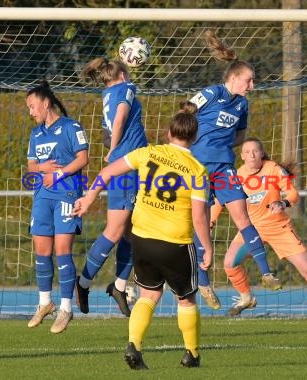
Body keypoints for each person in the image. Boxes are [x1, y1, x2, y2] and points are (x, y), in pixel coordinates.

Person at [73, 102, 212, 370]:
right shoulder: (197, 170)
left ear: (169, 133)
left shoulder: (148, 153)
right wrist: (206, 246)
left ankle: (134, 344)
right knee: (186, 299)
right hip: (175, 242)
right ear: (195, 137)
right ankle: (192, 354)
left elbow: (106, 172)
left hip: (142, 238)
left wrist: (89, 197)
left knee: (149, 296)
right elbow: (198, 217)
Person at [187, 30, 280, 310]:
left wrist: (223, 144)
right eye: (248, 80)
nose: (251, 85)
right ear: (234, 77)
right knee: (202, 223)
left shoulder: (242, 104)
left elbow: (240, 135)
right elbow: (185, 114)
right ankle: (202, 279)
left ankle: (266, 272)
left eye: (252, 81)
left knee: (242, 214)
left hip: (224, 167)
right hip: (198, 168)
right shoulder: (211, 93)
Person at [211, 137, 307, 319]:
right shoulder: (236, 176)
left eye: (255, 151)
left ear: (261, 153)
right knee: (229, 263)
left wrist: (283, 202)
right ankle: (247, 298)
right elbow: (219, 200)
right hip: (251, 230)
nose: (252, 154)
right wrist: (210, 222)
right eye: (247, 151)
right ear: (241, 156)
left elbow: (293, 193)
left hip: (279, 228)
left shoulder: (273, 169)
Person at [76, 58, 148, 317]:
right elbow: (118, 122)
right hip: (128, 165)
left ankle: (118, 286)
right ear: (123, 73)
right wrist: (115, 149)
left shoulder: (106, 93)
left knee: (133, 231)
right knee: (116, 230)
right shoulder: (126, 88)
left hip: (133, 164)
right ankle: (83, 282)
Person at [25, 80, 89, 333]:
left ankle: (66, 309)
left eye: (32, 106)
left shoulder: (71, 127)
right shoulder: (36, 134)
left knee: (62, 251)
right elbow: (31, 166)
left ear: (46, 102)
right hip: (42, 197)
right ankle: (44, 303)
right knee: (41, 252)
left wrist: (59, 173)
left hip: (66, 195)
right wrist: (42, 169)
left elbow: (83, 158)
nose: (30, 111)